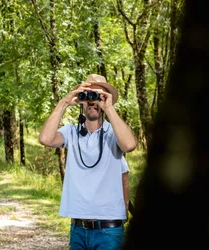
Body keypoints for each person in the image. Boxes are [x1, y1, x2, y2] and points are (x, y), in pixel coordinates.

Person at [38, 74, 137, 250]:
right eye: (88, 96)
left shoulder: (113, 133)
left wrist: (108, 108)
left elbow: (129, 145)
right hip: (78, 228)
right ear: (81, 101)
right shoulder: (71, 132)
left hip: (109, 230)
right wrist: (64, 102)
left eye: (97, 95)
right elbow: (45, 139)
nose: (93, 102)